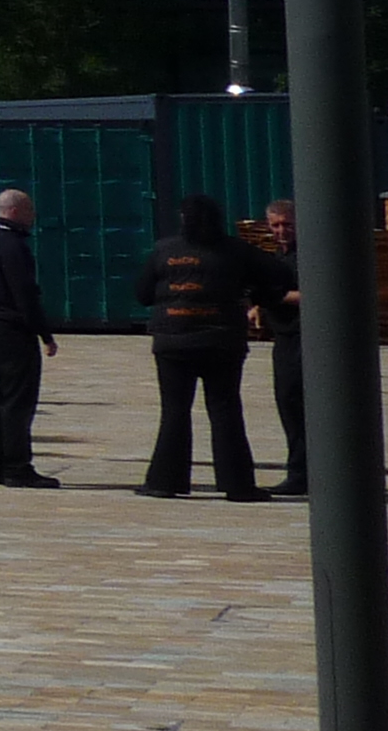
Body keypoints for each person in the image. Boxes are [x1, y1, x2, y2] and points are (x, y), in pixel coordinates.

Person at [133, 193, 270, 502]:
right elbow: (277, 276)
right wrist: (250, 295)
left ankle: (164, 481)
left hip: (172, 339)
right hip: (221, 340)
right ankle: (238, 485)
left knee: (174, 411)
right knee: (225, 410)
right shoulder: (236, 251)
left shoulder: (163, 250)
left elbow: (142, 294)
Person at [0, 187, 61, 485]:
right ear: (16, 211)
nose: (33, 217)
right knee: (17, 400)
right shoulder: (14, 247)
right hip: (13, 330)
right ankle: (17, 467)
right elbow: (25, 294)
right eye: (30, 211)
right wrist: (44, 334)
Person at [254, 197, 312, 498]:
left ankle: (302, 473)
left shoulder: (310, 255)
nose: (281, 231)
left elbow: (317, 292)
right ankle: (299, 469)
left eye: (286, 225)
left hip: (306, 337)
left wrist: (274, 296)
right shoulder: (278, 257)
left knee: (299, 402)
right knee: (288, 403)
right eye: (275, 225)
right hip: (284, 337)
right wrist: (260, 306)